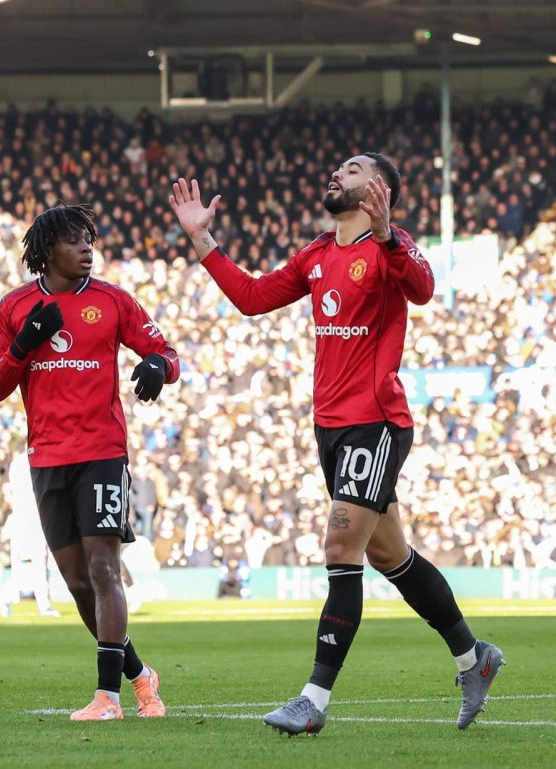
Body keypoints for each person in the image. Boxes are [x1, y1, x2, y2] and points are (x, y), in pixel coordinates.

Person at [168, 155, 505, 735]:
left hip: (376, 423)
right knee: (390, 557)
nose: (335, 174)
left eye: (351, 170)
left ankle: (314, 700)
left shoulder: (389, 248)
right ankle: (475, 659)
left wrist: (386, 231)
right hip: (330, 427)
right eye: (337, 169)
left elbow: (423, 289)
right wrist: (203, 240)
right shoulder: (317, 255)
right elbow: (251, 297)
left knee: (340, 548)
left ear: (378, 188)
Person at [0, 202, 179, 721]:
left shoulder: (113, 302)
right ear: (47, 251)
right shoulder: (15, 307)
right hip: (47, 459)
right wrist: (25, 343)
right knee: (76, 582)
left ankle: (106, 697)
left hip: (102, 454)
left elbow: (166, 351)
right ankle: (140, 676)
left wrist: (157, 364)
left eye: (89, 239)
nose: (87, 248)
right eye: (75, 241)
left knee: (104, 568)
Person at [0, 446, 60, 618]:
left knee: (33, 565)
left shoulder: (21, 462)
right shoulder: (28, 463)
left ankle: (7, 598)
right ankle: (42, 605)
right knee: (34, 564)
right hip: (30, 519)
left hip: (29, 518)